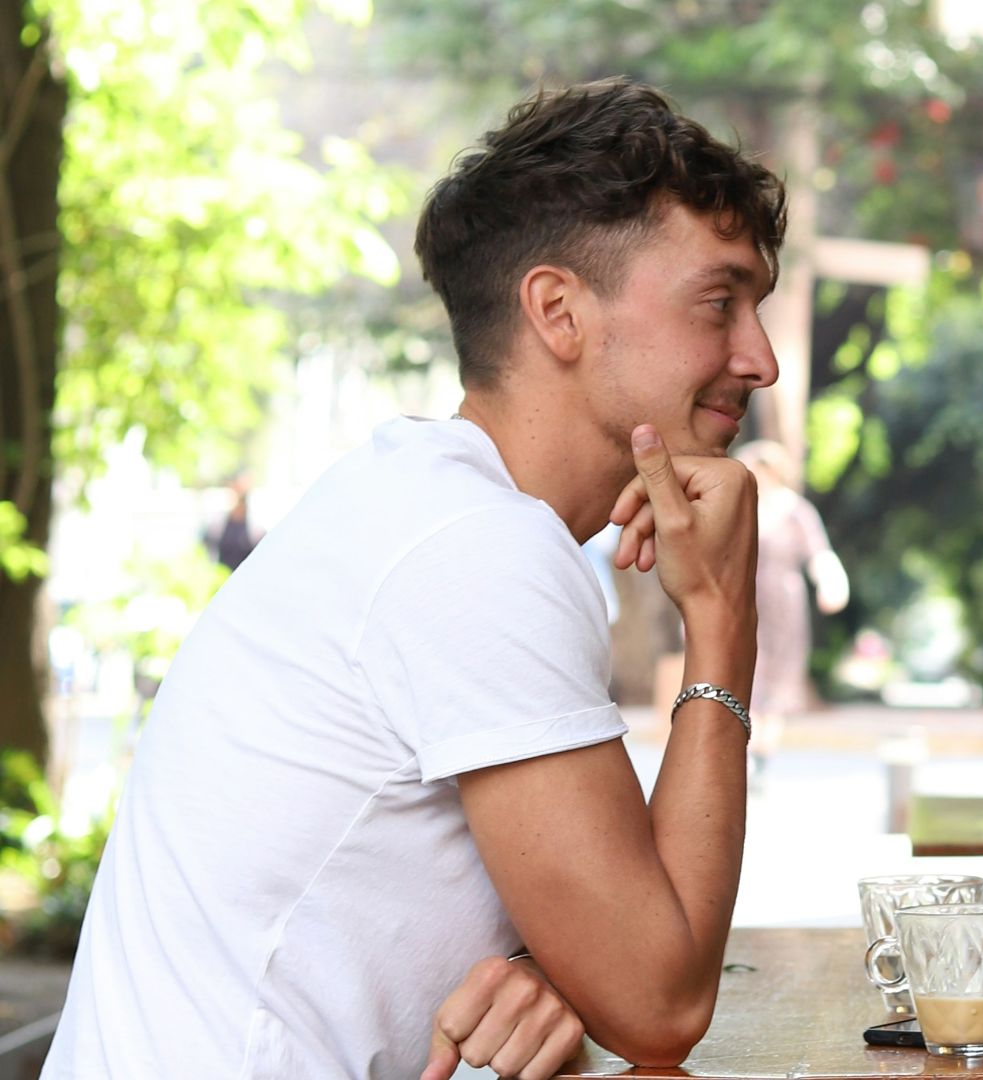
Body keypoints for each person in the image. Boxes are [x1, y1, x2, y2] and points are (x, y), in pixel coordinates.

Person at [44, 78, 784, 1080]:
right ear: (559, 312)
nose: (762, 358)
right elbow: (661, 1003)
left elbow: (616, 961)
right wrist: (722, 619)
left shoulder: (428, 507)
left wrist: (552, 965)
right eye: (720, 302)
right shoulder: (474, 549)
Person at [735, 439, 848, 775]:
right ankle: (746, 748)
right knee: (746, 672)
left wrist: (831, 583)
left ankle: (764, 753)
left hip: (784, 601)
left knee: (780, 678)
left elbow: (819, 553)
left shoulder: (796, 510)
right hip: (743, 599)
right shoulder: (738, 507)